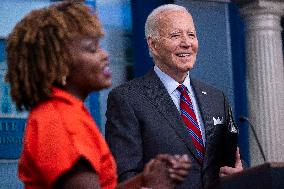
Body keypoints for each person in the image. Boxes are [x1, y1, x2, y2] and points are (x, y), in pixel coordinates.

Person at [5, 1, 191, 189]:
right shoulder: (62, 120)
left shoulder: (63, 112)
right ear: (59, 62)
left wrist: (145, 181)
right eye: (92, 48)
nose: (105, 55)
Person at [105, 4, 244, 189]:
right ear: (153, 45)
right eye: (175, 35)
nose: (187, 43)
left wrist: (239, 174)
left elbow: (231, 163)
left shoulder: (217, 98)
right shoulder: (127, 99)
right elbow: (125, 176)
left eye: (191, 35)